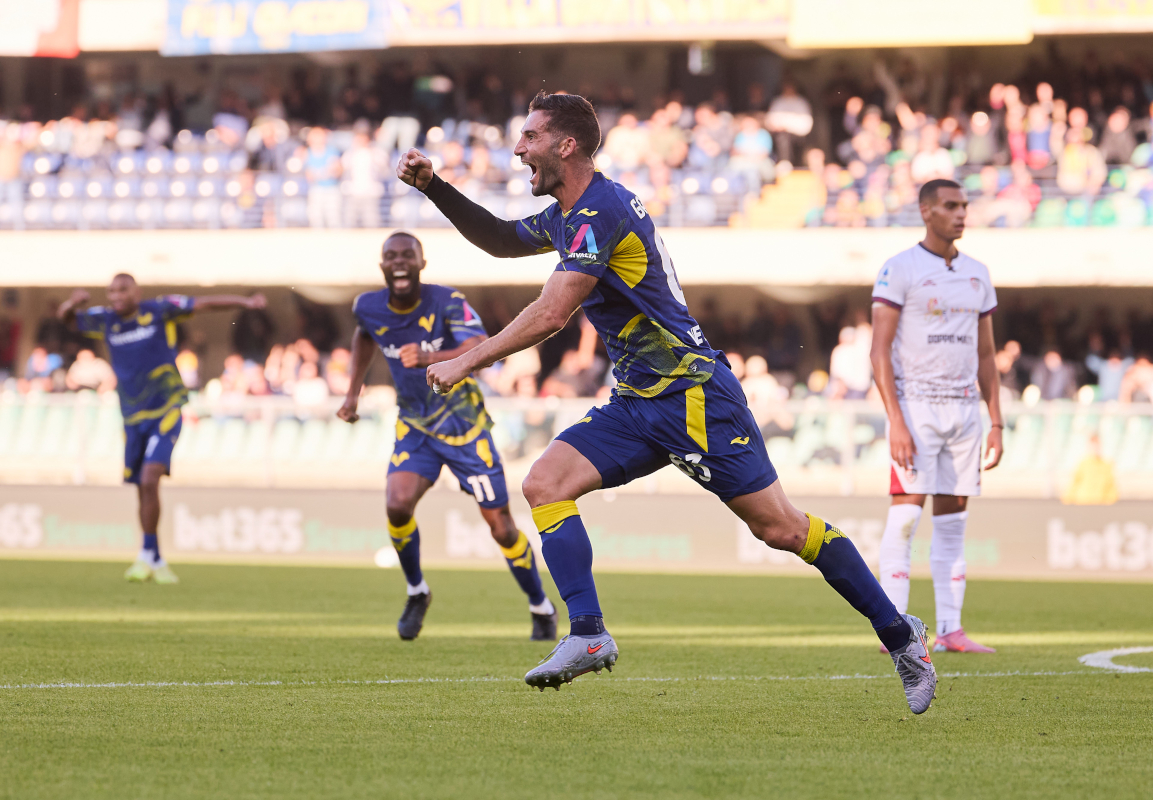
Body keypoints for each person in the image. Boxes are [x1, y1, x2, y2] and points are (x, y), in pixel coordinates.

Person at [397, 91, 936, 714]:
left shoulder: (599, 212)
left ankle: (902, 638)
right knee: (545, 484)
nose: (519, 149)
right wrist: (436, 186)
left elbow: (552, 312)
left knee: (781, 528)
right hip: (636, 403)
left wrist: (466, 359)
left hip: (695, 397)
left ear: (565, 145)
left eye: (530, 137)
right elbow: (497, 238)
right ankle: (589, 635)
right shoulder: (569, 214)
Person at [337, 232, 557, 642]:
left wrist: (429, 357)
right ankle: (417, 591)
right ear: (382, 265)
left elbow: (479, 344)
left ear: (422, 263)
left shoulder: (448, 302)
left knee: (502, 528)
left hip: (465, 428)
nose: (399, 262)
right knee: (397, 504)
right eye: (391, 256)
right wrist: (353, 394)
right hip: (415, 425)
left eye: (408, 255)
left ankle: (540, 605)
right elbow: (365, 335)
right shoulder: (367, 307)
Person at [57, 275, 266, 584]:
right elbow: (66, 320)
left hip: (167, 409)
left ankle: (148, 556)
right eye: (111, 291)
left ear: (136, 292)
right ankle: (152, 556)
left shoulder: (159, 310)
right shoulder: (106, 320)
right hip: (132, 416)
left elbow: (205, 304)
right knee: (143, 486)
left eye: (122, 290)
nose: (116, 296)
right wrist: (72, 303)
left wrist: (245, 302)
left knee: (150, 476)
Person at [869, 179, 1004, 656]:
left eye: (965, 205)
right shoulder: (900, 269)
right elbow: (879, 351)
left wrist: (996, 421)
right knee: (905, 519)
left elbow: (986, 355)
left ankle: (950, 629)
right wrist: (897, 420)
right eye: (951, 206)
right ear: (926, 211)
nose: (961, 214)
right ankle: (895, 629)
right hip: (917, 407)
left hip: (965, 412)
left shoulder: (978, 274)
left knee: (953, 524)